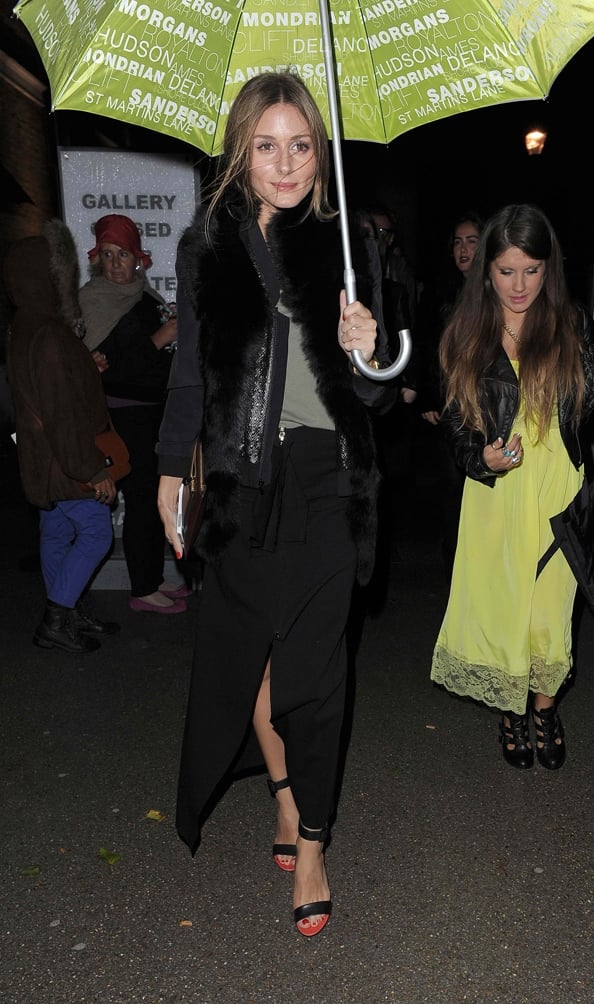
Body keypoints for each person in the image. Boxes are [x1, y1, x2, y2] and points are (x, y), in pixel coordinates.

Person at [156, 71, 396, 937]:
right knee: (250, 662)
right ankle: (288, 800)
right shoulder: (205, 246)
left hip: (330, 479)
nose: (285, 163)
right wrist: (167, 470)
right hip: (241, 482)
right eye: (267, 145)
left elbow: (376, 398)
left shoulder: (344, 242)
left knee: (315, 677)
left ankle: (317, 841)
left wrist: (370, 354)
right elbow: (192, 374)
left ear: (318, 153)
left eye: (301, 145)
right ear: (240, 149)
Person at [430, 203, 594, 771]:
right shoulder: (466, 332)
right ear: (486, 271)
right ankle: (512, 710)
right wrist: (479, 456)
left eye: (532, 270)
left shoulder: (572, 324)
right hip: (498, 491)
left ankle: (545, 708)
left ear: (549, 268)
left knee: (551, 611)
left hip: (557, 487)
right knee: (505, 609)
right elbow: (456, 428)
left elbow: (589, 413)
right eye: (507, 271)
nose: (520, 284)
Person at [4, 218, 119, 653]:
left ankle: (66, 611)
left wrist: (85, 366)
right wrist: (91, 469)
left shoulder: (23, 326)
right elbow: (61, 411)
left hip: (39, 459)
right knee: (96, 534)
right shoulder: (48, 332)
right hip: (64, 459)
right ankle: (57, 616)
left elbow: (46, 389)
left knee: (54, 534)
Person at [79, 214, 188, 613]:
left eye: (122, 254)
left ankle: (154, 577)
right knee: (141, 500)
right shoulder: (93, 301)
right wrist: (160, 339)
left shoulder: (145, 296)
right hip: (122, 418)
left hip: (153, 415)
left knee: (154, 499)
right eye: (106, 255)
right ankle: (143, 589)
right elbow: (107, 372)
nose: (114, 264)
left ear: (138, 258)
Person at [416, 212, 484, 579]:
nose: (464, 249)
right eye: (458, 242)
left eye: (472, 241)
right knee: (454, 488)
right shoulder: (440, 291)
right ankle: (457, 570)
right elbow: (428, 344)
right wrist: (427, 395)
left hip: (490, 407)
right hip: (452, 407)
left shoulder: (497, 289)